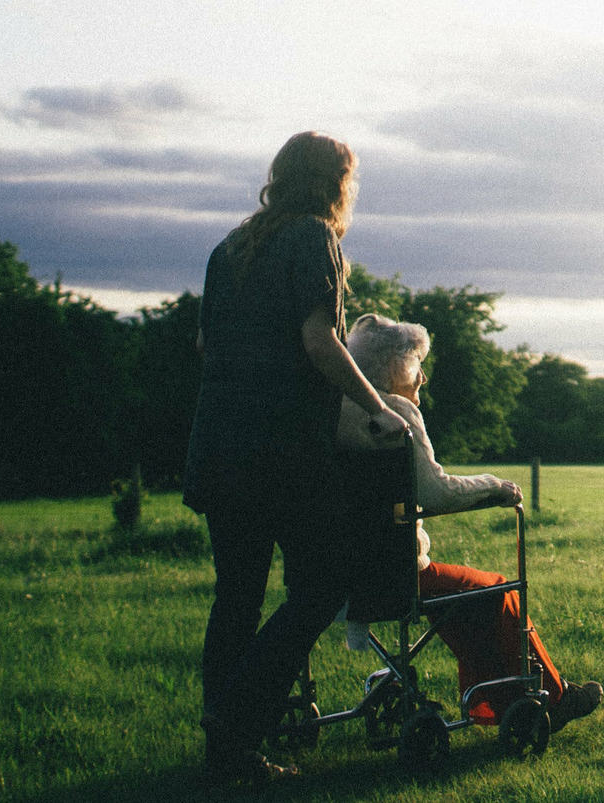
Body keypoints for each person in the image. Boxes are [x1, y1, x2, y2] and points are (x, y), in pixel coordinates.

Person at [183, 131, 407, 787]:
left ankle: (224, 750)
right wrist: (377, 407)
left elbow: (206, 343)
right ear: (335, 183)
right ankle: (236, 721)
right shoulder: (314, 239)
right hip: (279, 450)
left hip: (218, 444)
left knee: (238, 595)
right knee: (322, 584)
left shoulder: (230, 249)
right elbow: (320, 340)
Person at [337, 313, 603, 730]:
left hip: (338, 574)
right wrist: (493, 486)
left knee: (465, 597)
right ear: (394, 368)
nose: (422, 377)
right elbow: (435, 493)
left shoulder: (336, 412)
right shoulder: (396, 414)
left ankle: (499, 704)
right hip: (395, 574)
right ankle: (553, 697)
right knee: (497, 590)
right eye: (416, 364)